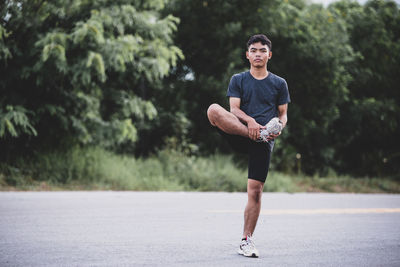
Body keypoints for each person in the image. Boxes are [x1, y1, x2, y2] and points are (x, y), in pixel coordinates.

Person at [207, 34, 290, 258]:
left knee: (255, 192)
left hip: (265, 138)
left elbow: (283, 116)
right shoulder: (238, 79)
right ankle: (258, 135)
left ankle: (246, 240)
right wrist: (251, 123)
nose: (258, 54)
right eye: (253, 50)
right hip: (242, 131)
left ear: (269, 55)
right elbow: (233, 110)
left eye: (262, 50)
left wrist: (278, 127)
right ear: (247, 55)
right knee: (214, 110)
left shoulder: (279, 83)